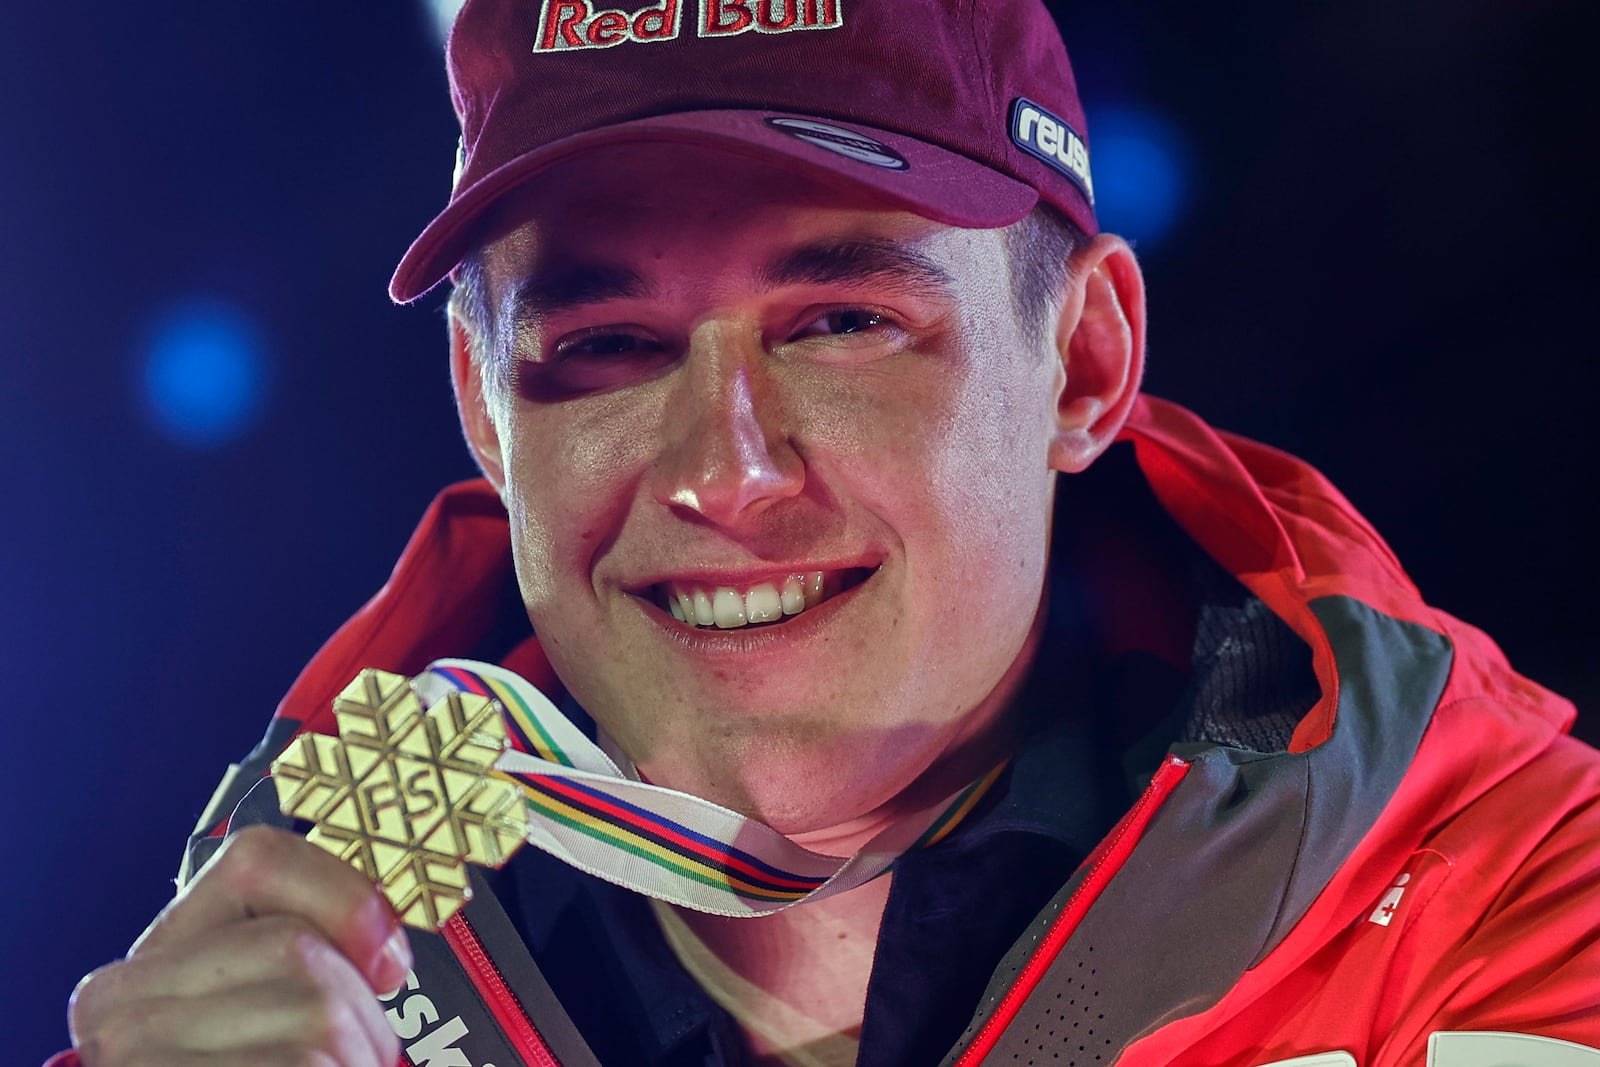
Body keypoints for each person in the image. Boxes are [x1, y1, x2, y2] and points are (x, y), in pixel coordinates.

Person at [55, 0, 1600, 1064]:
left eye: (844, 321)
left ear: (1085, 363)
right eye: (604, 346)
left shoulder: (1493, 883)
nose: (723, 477)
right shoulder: (261, 962)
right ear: (481, 403)